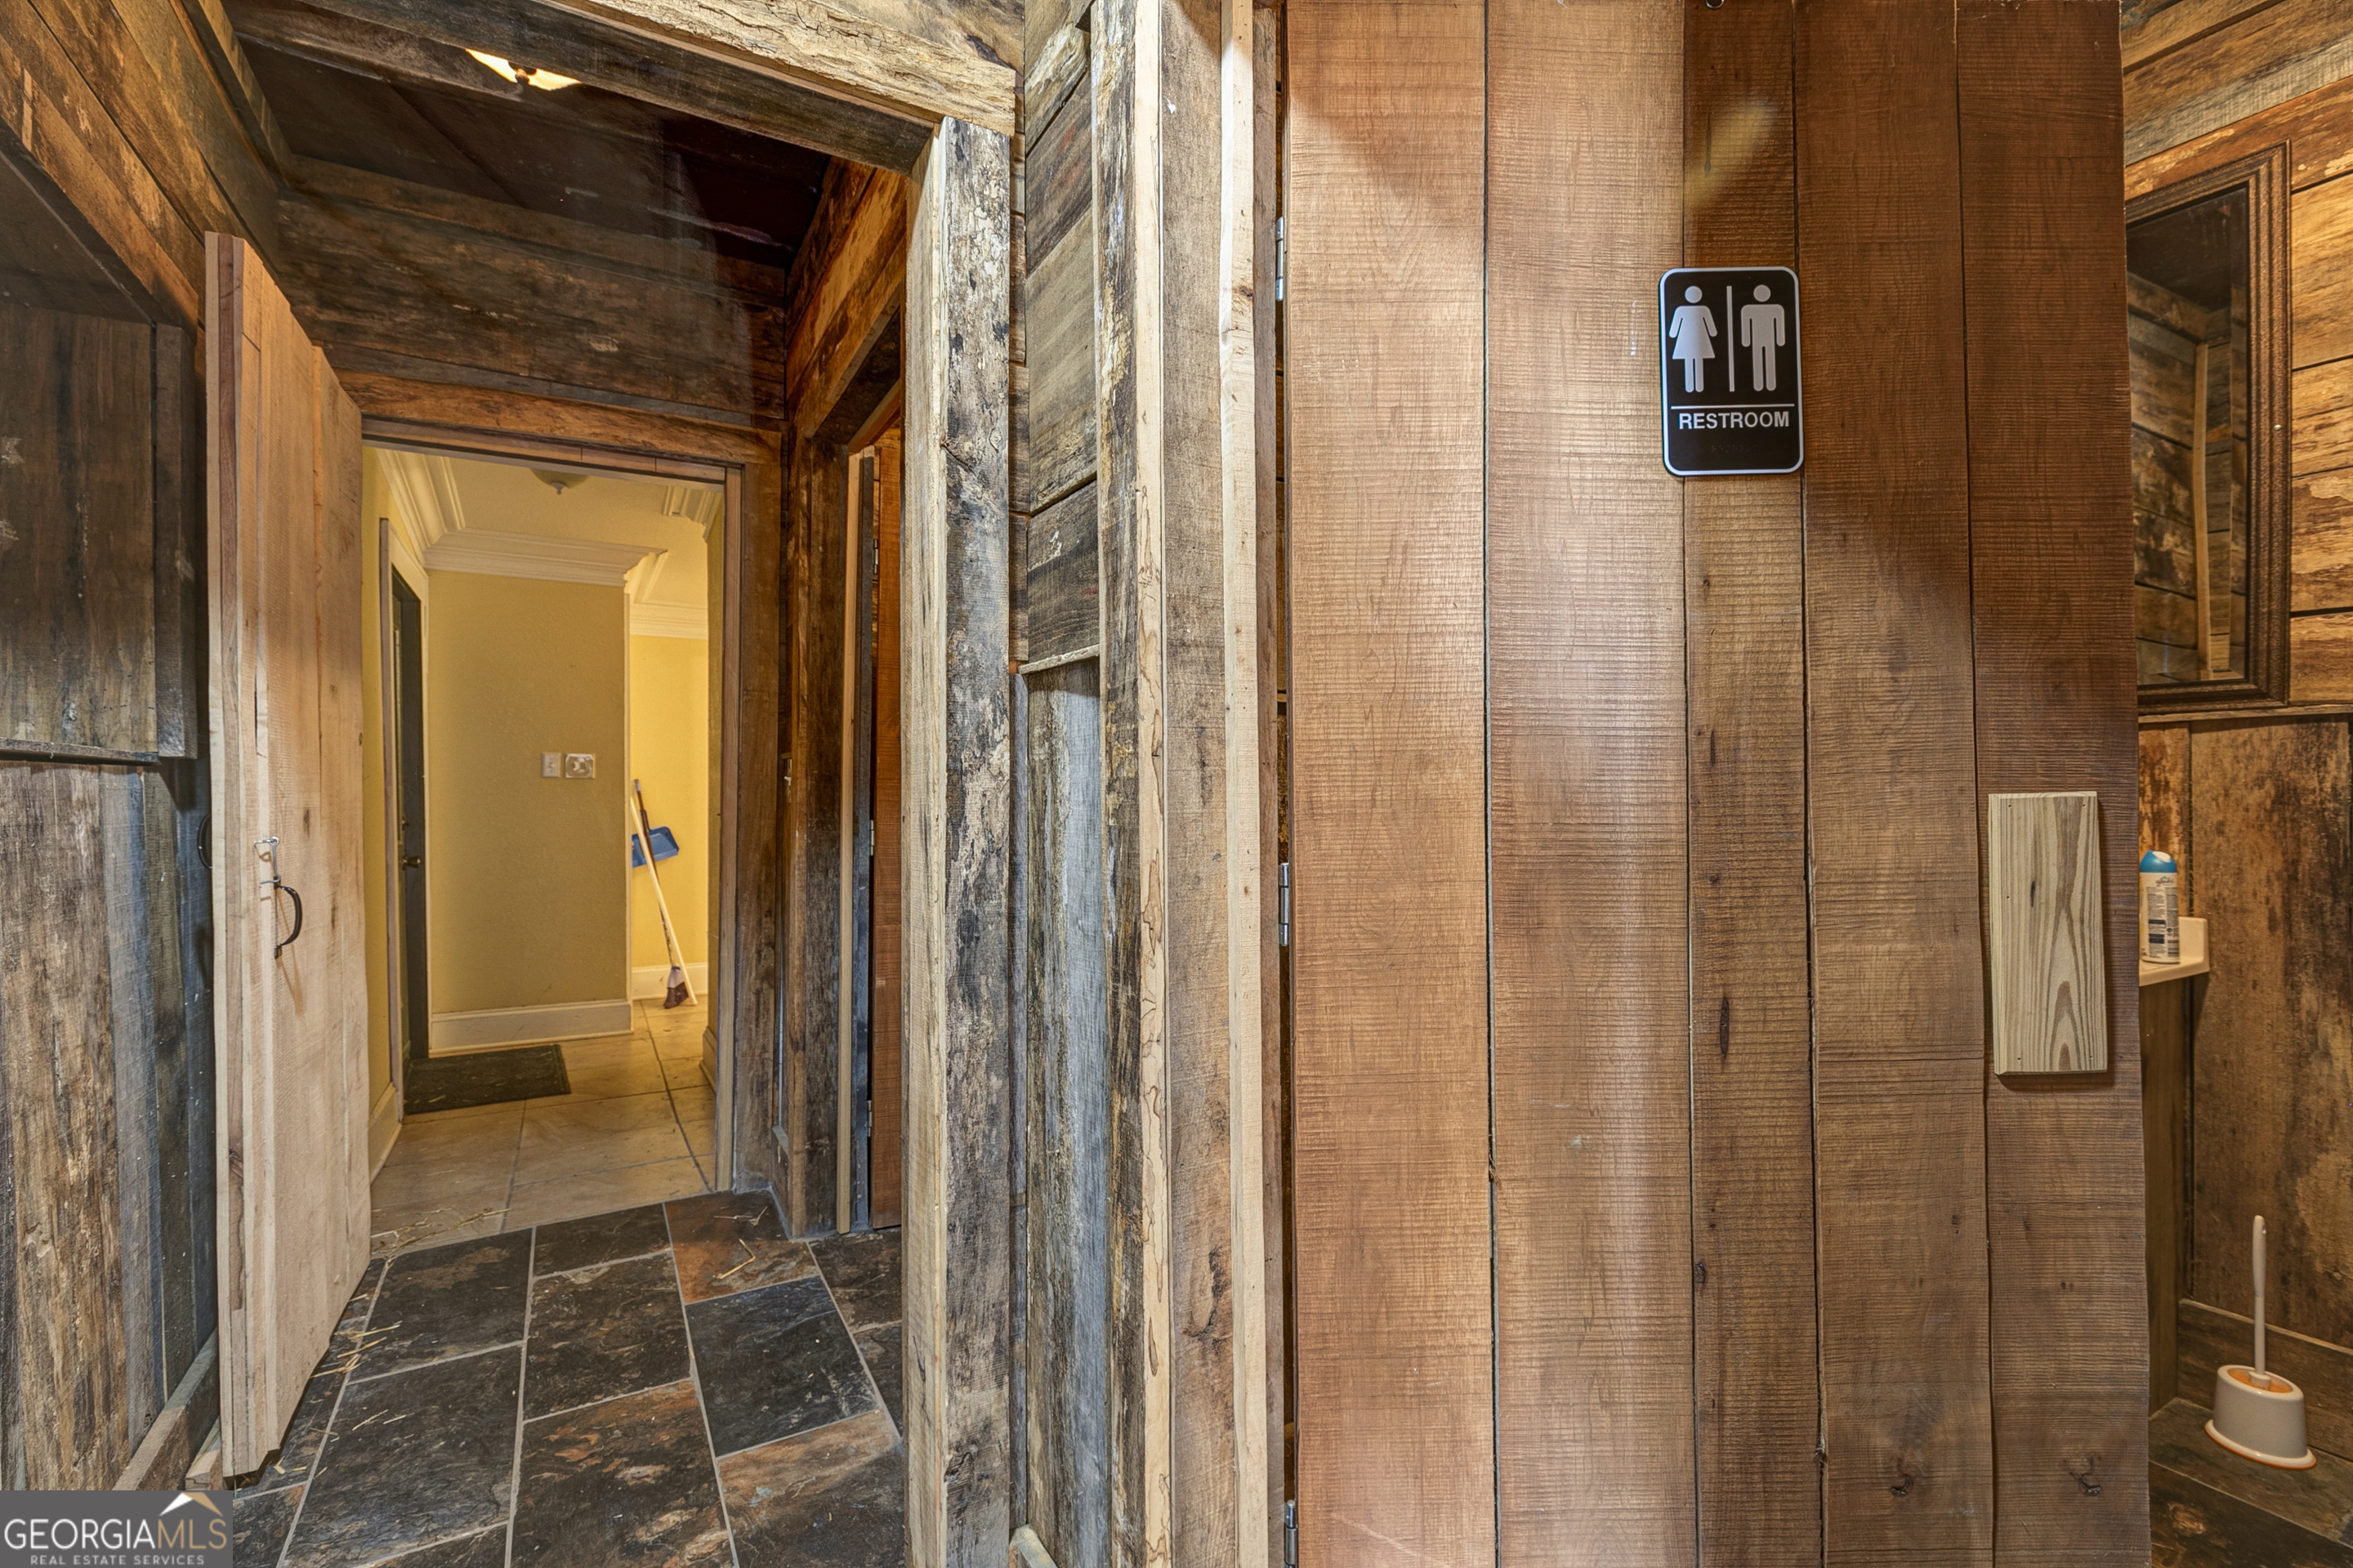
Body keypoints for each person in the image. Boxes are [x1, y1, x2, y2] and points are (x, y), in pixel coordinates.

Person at [1668, 284, 1716, 393]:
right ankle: (1697, 387)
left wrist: (1673, 334)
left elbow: (1673, 332)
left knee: (1690, 362)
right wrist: (1713, 333)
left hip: (1685, 341)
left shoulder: (1682, 310)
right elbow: (1712, 330)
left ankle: (1692, 387)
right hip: (1698, 340)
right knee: (1697, 361)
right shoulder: (1703, 309)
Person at [1740, 282, 1786, 392]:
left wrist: (1780, 340)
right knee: (1758, 359)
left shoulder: (1776, 309)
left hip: (1766, 339)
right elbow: (1746, 326)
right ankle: (1759, 385)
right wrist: (1746, 340)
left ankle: (1769, 385)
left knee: (1767, 359)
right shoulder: (1748, 309)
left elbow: (1779, 325)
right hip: (1759, 340)